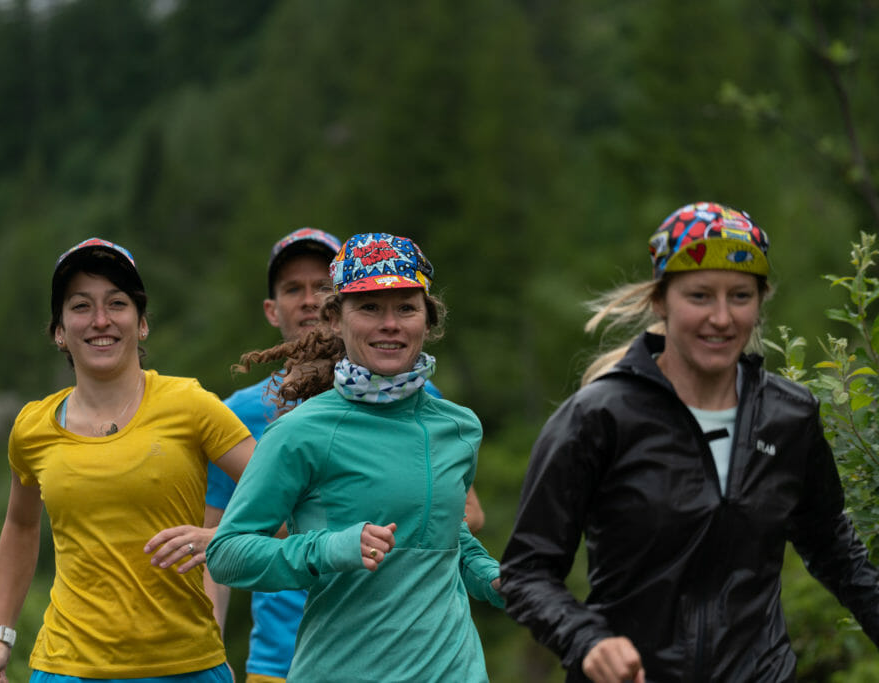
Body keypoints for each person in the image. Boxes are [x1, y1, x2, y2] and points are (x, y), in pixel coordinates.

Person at [499, 202, 879, 682]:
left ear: (761, 301)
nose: (721, 318)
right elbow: (526, 571)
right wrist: (586, 640)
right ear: (660, 300)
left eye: (740, 296)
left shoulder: (789, 415)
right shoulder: (598, 417)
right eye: (700, 296)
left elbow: (833, 549)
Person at [205, 233, 503, 682]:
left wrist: (498, 580)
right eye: (369, 308)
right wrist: (329, 548)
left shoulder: (458, 427)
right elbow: (228, 554)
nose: (390, 324)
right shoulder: (300, 430)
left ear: (428, 318)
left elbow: (446, 537)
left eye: (406, 307)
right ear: (335, 320)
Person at [0, 238, 255, 683]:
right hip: (67, 667)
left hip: (186, 666)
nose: (100, 320)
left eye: (117, 303)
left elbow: (279, 495)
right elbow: (22, 525)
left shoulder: (190, 405)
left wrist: (220, 536)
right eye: (81, 306)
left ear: (141, 324)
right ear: (59, 331)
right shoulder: (33, 428)